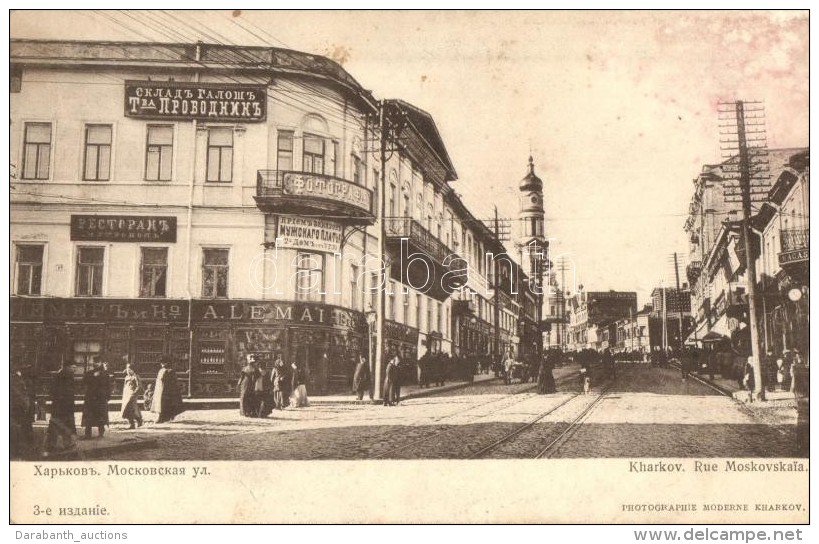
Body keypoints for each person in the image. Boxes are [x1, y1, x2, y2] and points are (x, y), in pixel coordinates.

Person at [44, 359, 77, 455]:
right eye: (73, 367)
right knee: (57, 425)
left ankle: (64, 444)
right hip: (61, 406)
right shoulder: (62, 376)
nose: (75, 369)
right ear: (67, 367)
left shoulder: (66, 375)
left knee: (64, 424)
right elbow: (56, 391)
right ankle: (51, 445)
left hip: (64, 405)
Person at [81, 358, 109, 439]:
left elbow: (108, 386)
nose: (96, 364)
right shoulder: (89, 373)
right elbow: (84, 383)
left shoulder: (105, 374)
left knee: (100, 416)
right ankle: (87, 434)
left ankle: (101, 433)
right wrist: (93, 377)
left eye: (98, 362)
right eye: (95, 362)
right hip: (90, 399)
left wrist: (107, 397)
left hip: (101, 399)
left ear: (101, 363)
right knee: (89, 416)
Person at [152, 357, 185, 423]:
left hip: (167, 391)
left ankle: (163, 418)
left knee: (165, 404)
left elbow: (173, 382)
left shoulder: (170, 371)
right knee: (160, 404)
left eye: (163, 363)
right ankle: (163, 417)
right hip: (159, 390)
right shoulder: (161, 370)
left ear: (167, 363)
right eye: (161, 363)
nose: (162, 364)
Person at [11, 367, 34, 458]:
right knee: (18, 428)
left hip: (19, 408)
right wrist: (25, 405)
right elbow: (21, 395)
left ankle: (19, 449)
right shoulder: (17, 380)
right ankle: (18, 450)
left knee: (20, 428)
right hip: (18, 408)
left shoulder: (18, 379)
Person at [790, 350, 809, 456]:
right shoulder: (799, 368)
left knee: (802, 424)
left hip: (803, 399)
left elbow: (793, 388)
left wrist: (796, 398)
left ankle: (801, 448)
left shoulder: (797, 370)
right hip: (804, 398)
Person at [120, 364, 143, 429]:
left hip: (132, 395)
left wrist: (134, 393)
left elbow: (139, 386)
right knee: (128, 409)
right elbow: (125, 386)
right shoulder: (126, 377)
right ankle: (135, 422)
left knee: (130, 408)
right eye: (127, 370)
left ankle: (137, 421)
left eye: (130, 370)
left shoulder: (136, 376)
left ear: (133, 370)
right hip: (126, 395)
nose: (128, 371)